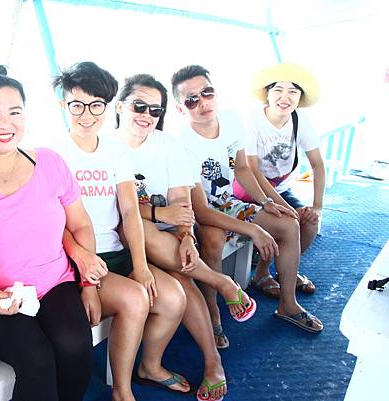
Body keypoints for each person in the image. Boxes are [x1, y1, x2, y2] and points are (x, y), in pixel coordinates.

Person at [114, 73, 258, 401]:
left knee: (183, 277)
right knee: (143, 230)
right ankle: (220, 282)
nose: (147, 115)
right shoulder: (107, 148)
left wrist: (188, 237)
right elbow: (119, 210)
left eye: (155, 110)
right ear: (120, 106)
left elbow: (181, 201)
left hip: (168, 242)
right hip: (128, 239)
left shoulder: (167, 145)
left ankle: (212, 363)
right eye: (139, 106)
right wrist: (157, 213)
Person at [51, 61, 190, 400]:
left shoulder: (114, 151)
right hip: (76, 261)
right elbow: (51, 221)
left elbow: (129, 211)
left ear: (108, 106)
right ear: (63, 105)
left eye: (96, 105)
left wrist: (141, 267)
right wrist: (83, 262)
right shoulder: (53, 153)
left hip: (116, 252)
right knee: (135, 299)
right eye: (77, 105)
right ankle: (123, 392)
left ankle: (150, 366)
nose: (87, 115)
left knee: (173, 299)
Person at [0, 65, 94, 401]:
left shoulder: (50, 162)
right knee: (36, 360)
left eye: (14, 112)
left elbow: (80, 224)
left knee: (75, 347)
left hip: (55, 282)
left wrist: (89, 286)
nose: (5, 123)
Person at [170, 64, 323, 342]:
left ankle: (287, 304)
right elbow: (201, 211)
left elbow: (241, 169)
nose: (202, 102)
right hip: (196, 212)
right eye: (191, 99)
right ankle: (213, 315)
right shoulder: (182, 143)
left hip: (227, 202)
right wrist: (253, 229)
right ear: (180, 109)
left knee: (288, 223)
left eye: (207, 92)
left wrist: (266, 201)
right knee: (213, 239)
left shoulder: (231, 120)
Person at [235, 62, 324, 297]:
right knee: (287, 220)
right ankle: (262, 273)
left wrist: (317, 207)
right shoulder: (253, 120)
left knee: (310, 222)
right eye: (278, 90)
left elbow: (317, 164)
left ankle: (287, 271)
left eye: (293, 91)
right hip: (252, 189)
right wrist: (285, 207)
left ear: (300, 98)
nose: (285, 97)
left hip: (281, 188)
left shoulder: (300, 120)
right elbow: (252, 170)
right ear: (267, 94)